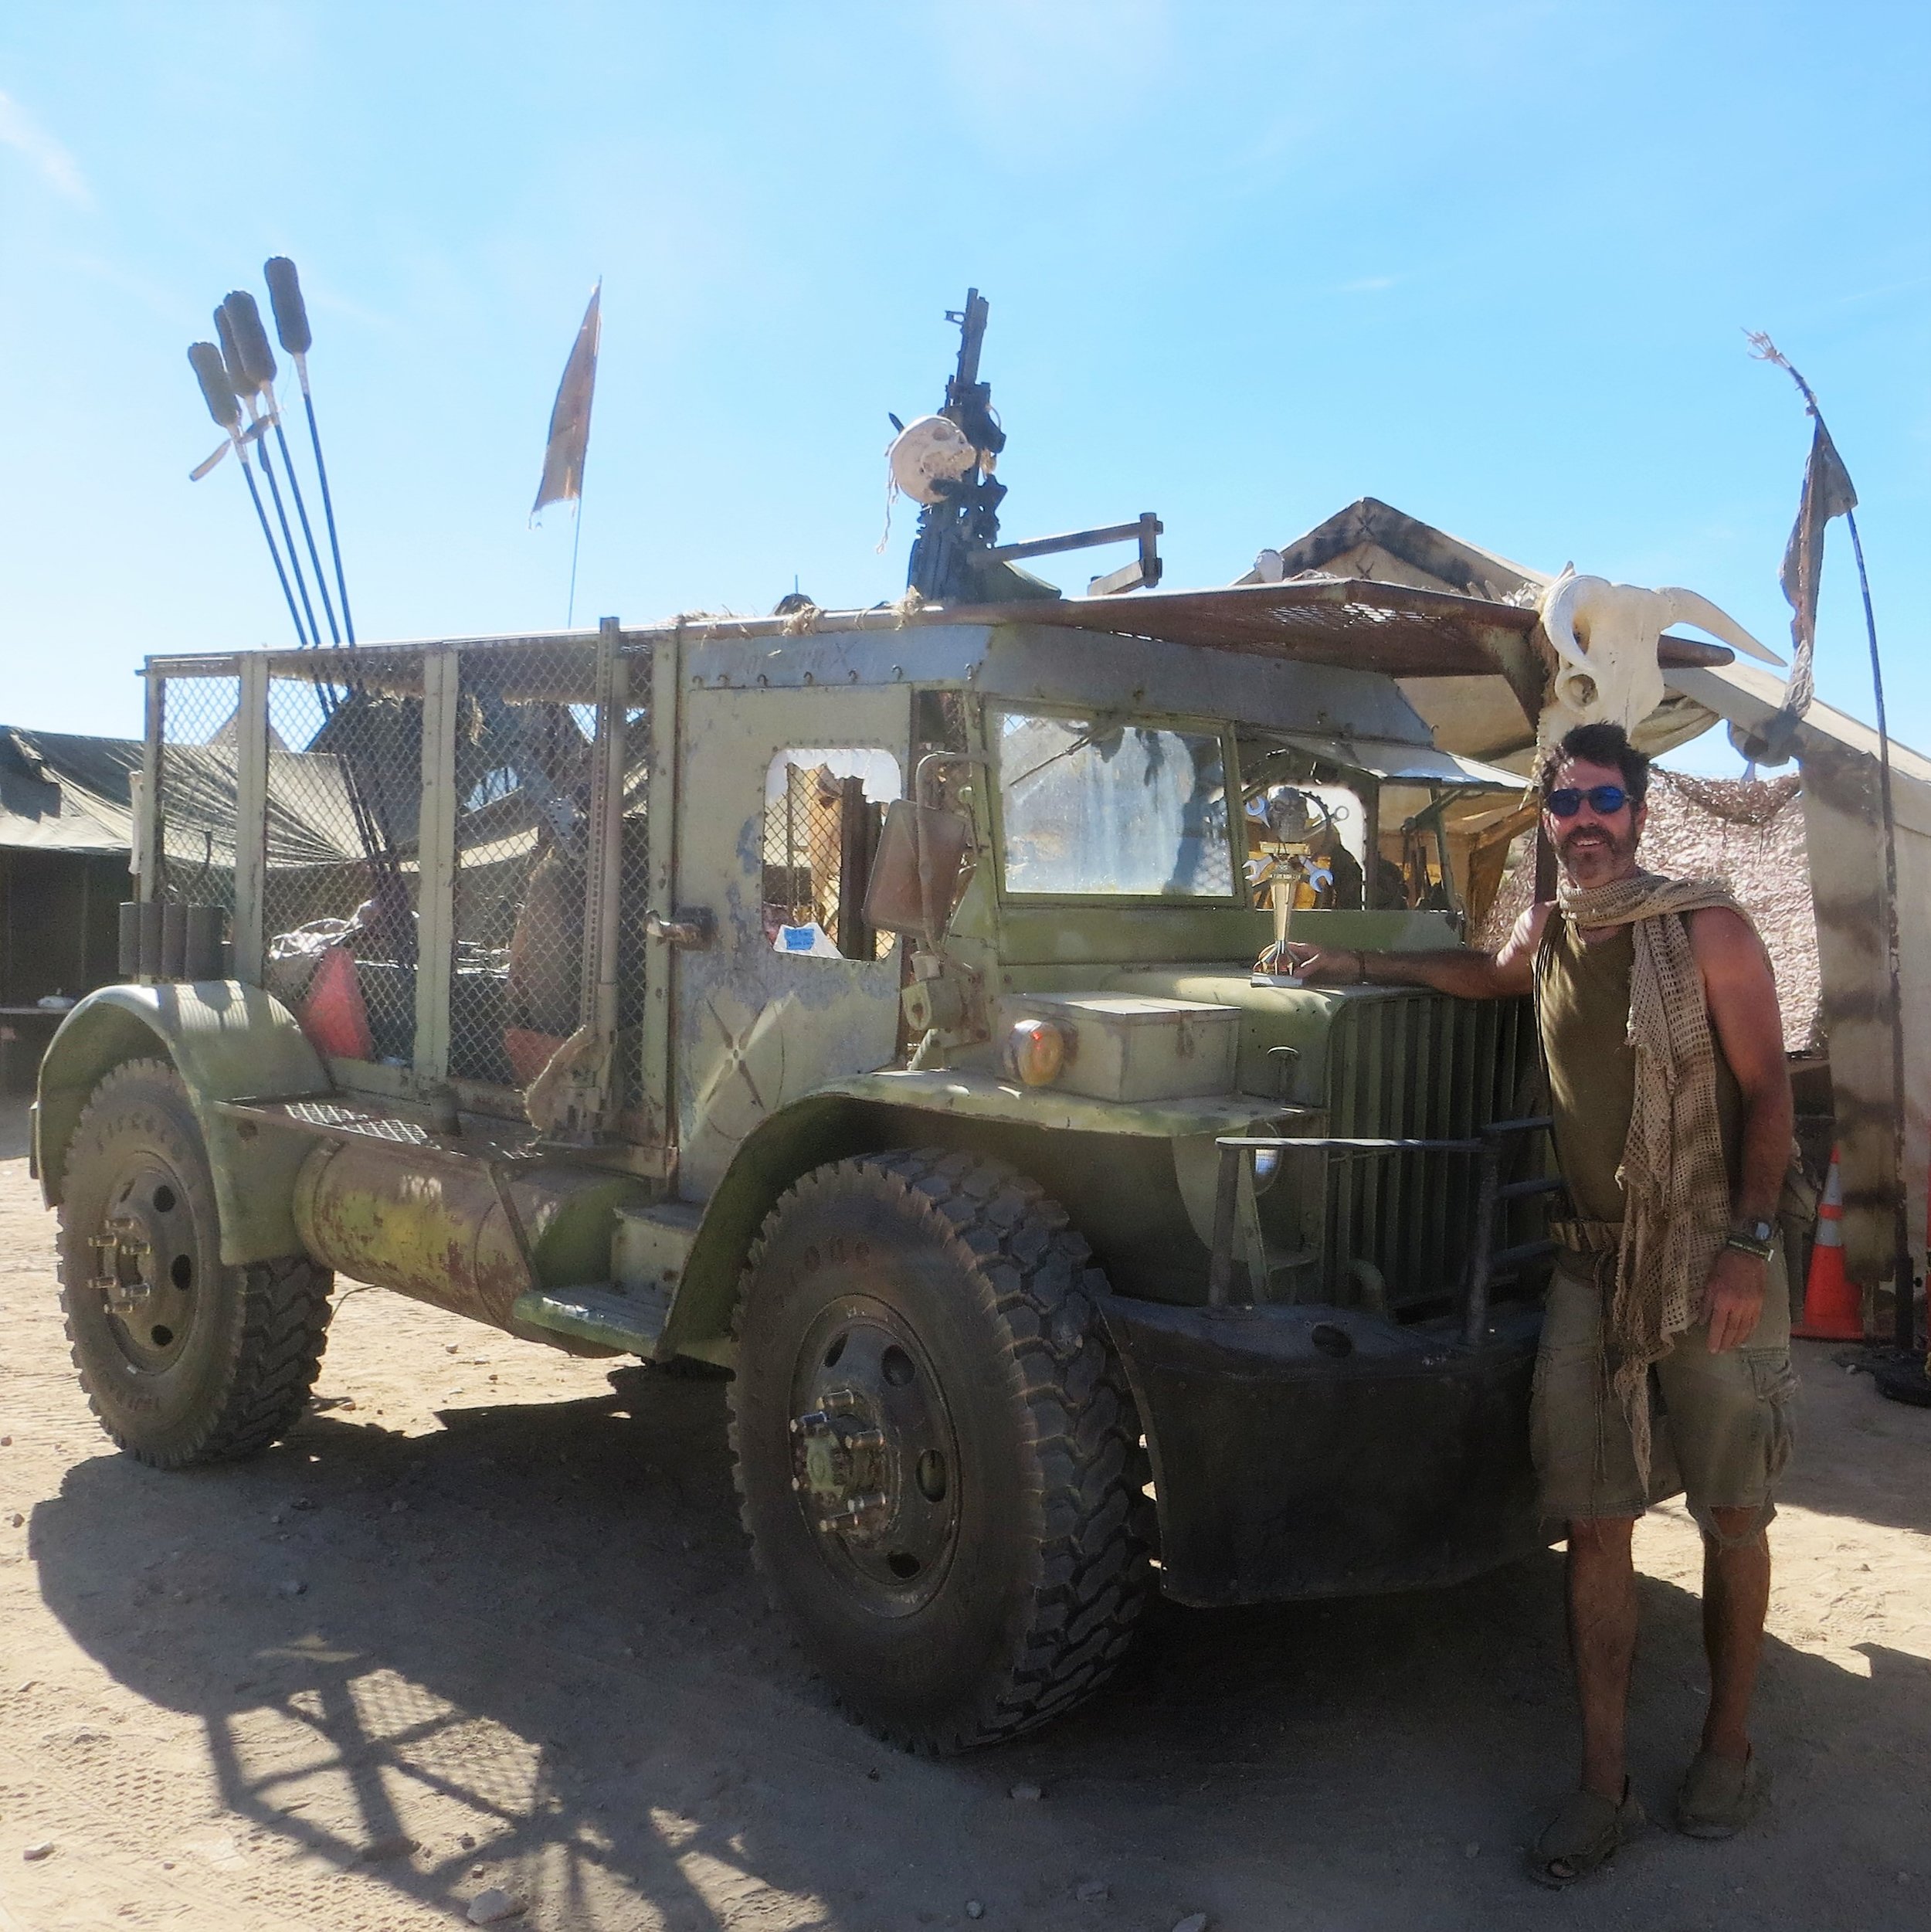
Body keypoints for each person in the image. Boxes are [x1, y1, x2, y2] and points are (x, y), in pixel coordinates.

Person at [1281, 720, 1797, 1887]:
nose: (1584, 821)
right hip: (1592, 1263)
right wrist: (1364, 966)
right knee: (1595, 1518)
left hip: (1714, 1248)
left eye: (1604, 799)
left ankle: (1729, 1749)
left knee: (1731, 1508)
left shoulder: (1704, 924)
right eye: (1564, 803)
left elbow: (1769, 1096)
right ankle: (1601, 1783)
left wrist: (1749, 1246)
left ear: (1642, 810)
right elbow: (1493, 974)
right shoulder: (1557, 925)